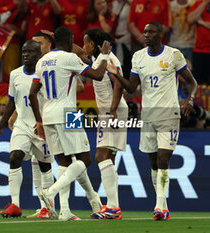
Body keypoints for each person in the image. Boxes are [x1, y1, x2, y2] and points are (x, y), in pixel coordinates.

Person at [106, 21, 198, 221]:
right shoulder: (138, 56)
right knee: (153, 162)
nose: (145, 35)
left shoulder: (173, 55)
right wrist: (116, 75)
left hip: (169, 115)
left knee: (163, 159)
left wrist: (190, 100)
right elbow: (131, 87)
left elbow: (192, 82)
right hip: (147, 117)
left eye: (150, 32)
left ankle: (159, 206)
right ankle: (163, 206)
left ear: (160, 34)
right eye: (145, 31)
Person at [29, 26, 111, 219]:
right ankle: (50, 192)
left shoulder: (42, 61)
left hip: (47, 115)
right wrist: (105, 55)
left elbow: (32, 92)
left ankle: (65, 210)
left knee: (65, 162)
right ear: (69, 40)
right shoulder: (70, 59)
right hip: (68, 113)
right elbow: (98, 74)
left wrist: (39, 121)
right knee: (85, 159)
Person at [0, 40, 54, 218]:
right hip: (22, 125)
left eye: (30, 52)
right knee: (15, 156)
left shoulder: (45, 74)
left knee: (44, 166)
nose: (26, 54)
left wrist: (46, 122)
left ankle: (46, 207)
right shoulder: (15, 74)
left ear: (39, 54)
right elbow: (11, 102)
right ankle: (15, 205)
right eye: (24, 51)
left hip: (42, 127)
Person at [81, 28, 127, 219]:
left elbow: (118, 83)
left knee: (101, 156)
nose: (84, 47)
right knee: (109, 158)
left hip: (112, 111)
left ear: (93, 44)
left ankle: (113, 206)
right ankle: (113, 207)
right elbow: (77, 53)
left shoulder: (108, 59)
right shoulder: (98, 59)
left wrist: (114, 110)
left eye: (86, 42)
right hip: (110, 111)